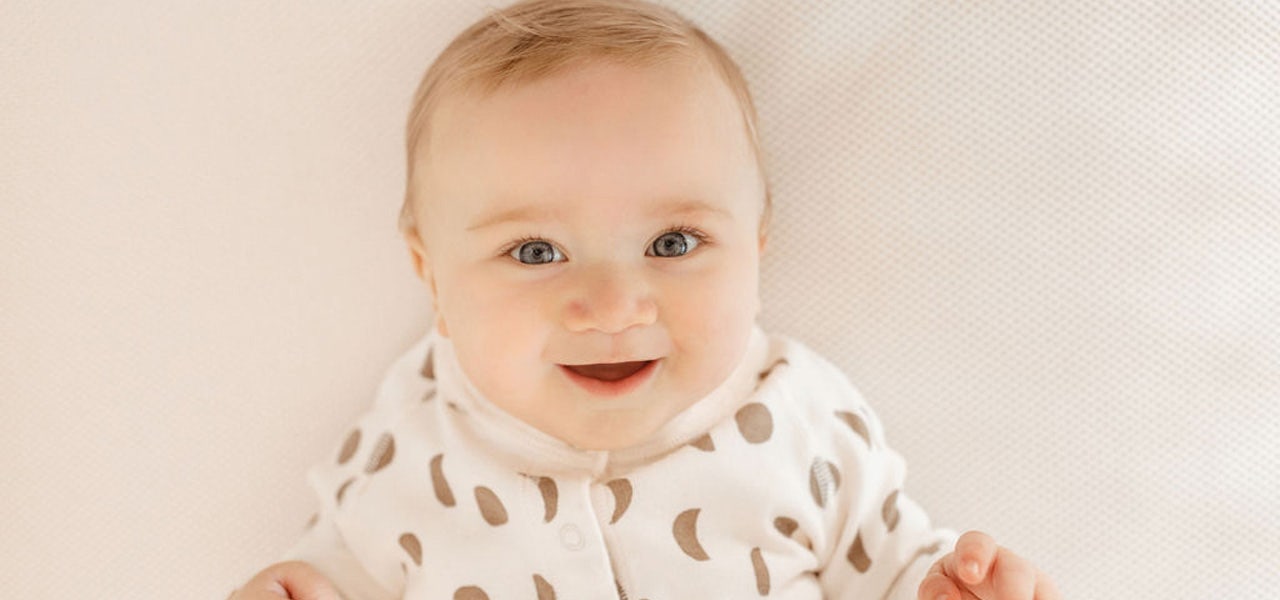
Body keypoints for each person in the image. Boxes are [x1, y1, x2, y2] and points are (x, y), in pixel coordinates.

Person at [231, 0, 1059, 598]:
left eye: (672, 245)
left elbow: (886, 561)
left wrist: (943, 586)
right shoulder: (415, 432)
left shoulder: (798, 420)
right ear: (433, 279)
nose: (613, 305)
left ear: (757, 249)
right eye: (535, 251)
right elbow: (341, 563)